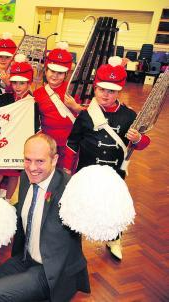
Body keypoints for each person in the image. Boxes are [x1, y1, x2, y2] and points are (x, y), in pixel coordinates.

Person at [0, 133, 90, 302]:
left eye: (40, 161)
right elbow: (25, 211)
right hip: (26, 257)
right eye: (27, 160)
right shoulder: (25, 178)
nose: (32, 167)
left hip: (51, 268)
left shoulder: (70, 188)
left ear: (54, 160)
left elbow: (85, 220)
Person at [65, 56, 150, 260]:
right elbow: (72, 142)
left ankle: (114, 239)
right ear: (95, 89)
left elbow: (144, 143)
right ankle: (72, 238)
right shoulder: (86, 115)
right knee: (81, 203)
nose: (106, 94)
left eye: (111, 91)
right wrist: (68, 169)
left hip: (114, 173)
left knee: (111, 206)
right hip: (86, 171)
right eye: (102, 89)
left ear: (119, 91)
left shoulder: (129, 115)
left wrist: (138, 139)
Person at [0, 54, 40, 203]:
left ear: (29, 83)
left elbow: (34, 127)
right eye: (15, 83)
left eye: (22, 83)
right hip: (4, 142)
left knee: (14, 173)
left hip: (20, 143)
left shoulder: (32, 103)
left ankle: (7, 201)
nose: (18, 87)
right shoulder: (6, 98)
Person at [33, 42, 83, 169]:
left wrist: (76, 107)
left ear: (66, 74)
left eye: (60, 73)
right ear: (46, 70)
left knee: (66, 175)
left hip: (70, 144)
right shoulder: (37, 94)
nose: (55, 76)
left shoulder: (74, 90)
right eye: (52, 71)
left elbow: (90, 114)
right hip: (48, 143)